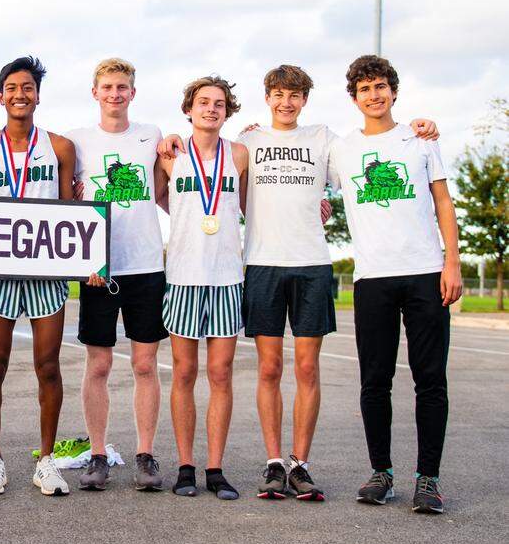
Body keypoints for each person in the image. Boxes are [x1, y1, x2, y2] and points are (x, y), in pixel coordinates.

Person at [157, 67, 439, 501]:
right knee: (269, 369)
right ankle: (274, 463)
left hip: (312, 265)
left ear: (306, 99)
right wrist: (168, 141)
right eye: (278, 94)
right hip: (263, 264)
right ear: (267, 98)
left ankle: (300, 464)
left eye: (295, 95)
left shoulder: (325, 140)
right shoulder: (246, 144)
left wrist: (420, 126)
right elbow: (200, 182)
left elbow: (372, 150)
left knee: (307, 368)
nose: (286, 103)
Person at [329, 55, 461, 514]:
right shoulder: (341, 150)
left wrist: (452, 262)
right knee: (375, 381)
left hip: (425, 273)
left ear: (394, 91)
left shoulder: (420, 140)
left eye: (381, 86)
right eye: (364, 89)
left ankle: (428, 478)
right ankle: (381, 472)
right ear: (354, 97)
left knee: (430, 380)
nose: (374, 95)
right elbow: (304, 173)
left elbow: (443, 202)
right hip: (373, 279)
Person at [0, 56, 89, 497]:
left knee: (48, 365)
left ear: (38, 95)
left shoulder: (59, 148)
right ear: (0, 96)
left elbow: (69, 214)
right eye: (12, 87)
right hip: (1, 274)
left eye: (28, 87)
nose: (20, 94)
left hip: (45, 273)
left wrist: (86, 262)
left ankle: (48, 460)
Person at [68, 58, 169, 492]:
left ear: (133, 92)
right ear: (95, 92)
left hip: (146, 264)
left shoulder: (153, 136)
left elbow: (168, 191)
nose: (115, 94)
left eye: (122, 87)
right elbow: (62, 205)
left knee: (146, 364)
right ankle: (98, 453)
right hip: (99, 270)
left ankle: (145, 454)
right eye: (107, 87)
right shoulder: (75, 142)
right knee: (100, 364)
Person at [156, 75, 247, 500]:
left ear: (228, 111)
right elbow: (157, 198)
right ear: (188, 108)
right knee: (185, 373)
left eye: (220, 103)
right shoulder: (170, 155)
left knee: (221, 374)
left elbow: (252, 204)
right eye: (203, 102)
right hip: (183, 277)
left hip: (227, 278)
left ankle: (216, 468)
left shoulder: (240, 155)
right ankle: (186, 466)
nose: (211, 108)